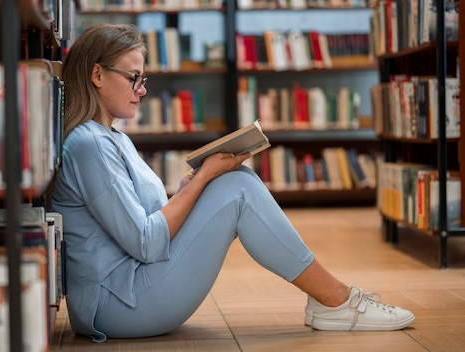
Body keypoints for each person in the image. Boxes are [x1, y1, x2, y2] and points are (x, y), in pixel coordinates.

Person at [49, 23, 415, 343]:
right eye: (133, 78)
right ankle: (336, 300)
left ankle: (333, 298)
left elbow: (144, 222)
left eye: (142, 79)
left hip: (128, 289)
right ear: (97, 75)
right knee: (237, 188)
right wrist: (203, 179)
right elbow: (145, 242)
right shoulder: (89, 144)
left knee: (235, 179)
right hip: (119, 305)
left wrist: (194, 185)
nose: (141, 89)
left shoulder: (111, 137)